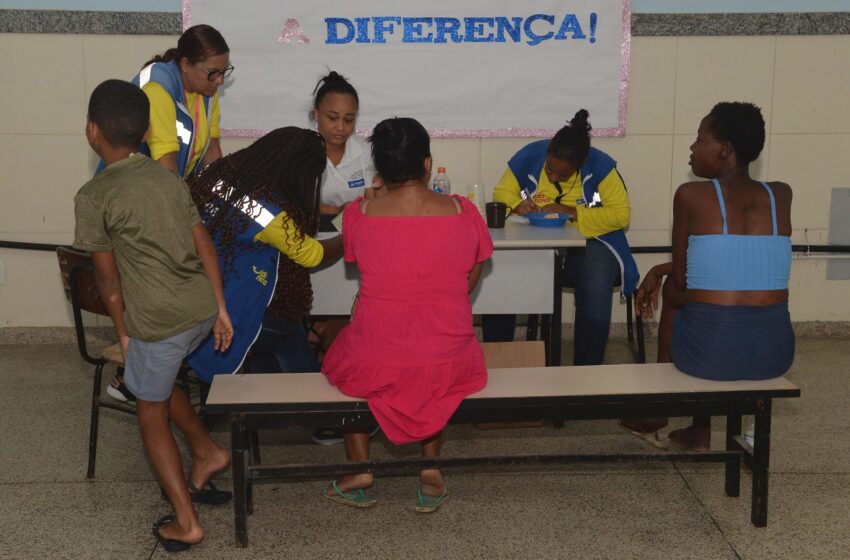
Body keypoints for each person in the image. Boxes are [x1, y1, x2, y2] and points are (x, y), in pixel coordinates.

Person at [74, 80, 234, 552]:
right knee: (156, 382)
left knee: (148, 412)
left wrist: (125, 335)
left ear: (92, 131)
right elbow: (203, 240)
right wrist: (221, 308)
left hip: (159, 322)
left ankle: (186, 522)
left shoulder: (94, 195)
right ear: (147, 134)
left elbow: (107, 283)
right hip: (200, 311)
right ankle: (207, 451)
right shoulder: (169, 179)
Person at [320, 117, 493, 512]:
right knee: (435, 361)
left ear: (379, 169)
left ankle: (360, 470)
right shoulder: (463, 212)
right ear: (427, 163)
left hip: (378, 360)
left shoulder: (359, 215)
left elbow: (357, 260)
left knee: (346, 351)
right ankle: (430, 470)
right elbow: (472, 275)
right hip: (449, 360)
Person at [622, 102, 794, 451]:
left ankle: (661, 408)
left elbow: (685, 279)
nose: (692, 147)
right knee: (708, 292)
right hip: (776, 356)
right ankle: (697, 430)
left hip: (709, 358)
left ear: (725, 150)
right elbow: (732, 259)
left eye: (700, 139)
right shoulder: (781, 195)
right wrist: (659, 268)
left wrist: (662, 272)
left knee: (675, 292)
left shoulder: (690, 196)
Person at [107, 24, 232, 403]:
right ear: (184, 65)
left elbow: (212, 155)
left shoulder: (206, 92)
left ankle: (161, 369)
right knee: (172, 273)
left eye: (224, 72)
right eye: (212, 73)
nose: (219, 81)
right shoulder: (158, 89)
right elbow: (165, 171)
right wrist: (192, 225)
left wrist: (225, 202)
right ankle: (132, 377)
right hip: (134, 202)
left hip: (167, 195)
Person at [185, 127, 342, 381]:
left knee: (269, 335)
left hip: (194, 296)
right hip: (227, 311)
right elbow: (311, 255)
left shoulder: (217, 175)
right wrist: (347, 237)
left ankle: (262, 406)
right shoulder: (269, 214)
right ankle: (313, 409)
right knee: (287, 333)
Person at [484, 109, 638, 366]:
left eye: (562, 176)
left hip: (589, 243)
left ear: (581, 164)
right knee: (502, 268)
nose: (553, 177)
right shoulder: (530, 155)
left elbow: (622, 215)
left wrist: (572, 212)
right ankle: (496, 360)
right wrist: (517, 203)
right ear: (547, 153)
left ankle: (586, 371)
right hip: (536, 243)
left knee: (597, 275)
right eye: (550, 170)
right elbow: (502, 192)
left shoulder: (601, 166)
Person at [310, 71, 378, 214]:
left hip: (353, 231)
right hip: (311, 233)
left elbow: (370, 200)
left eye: (348, 120)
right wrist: (336, 210)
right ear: (316, 114)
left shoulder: (364, 149)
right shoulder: (301, 150)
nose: (340, 127)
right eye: (332, 118)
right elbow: (295, 204)